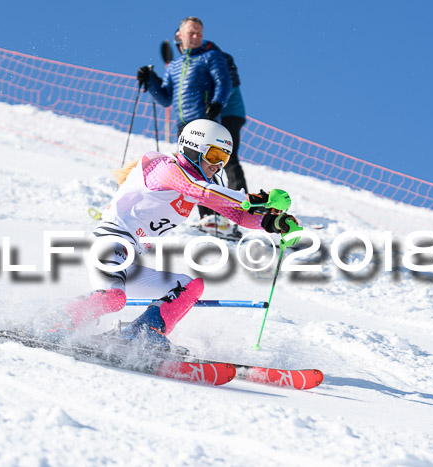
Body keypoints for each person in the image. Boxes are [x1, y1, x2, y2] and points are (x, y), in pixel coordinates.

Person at [60, 119, 302, 352]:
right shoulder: (165, 167)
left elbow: (237, 215)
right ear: (193, 149)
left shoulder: (202, 182)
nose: (217, 165)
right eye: (214, 156)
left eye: (224, 159)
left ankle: (142, 333)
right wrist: (256, 199)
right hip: (109, 244)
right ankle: (57, 319)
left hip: (130, 259)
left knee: (189, 287)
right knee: (113, 298)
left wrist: (272, 222)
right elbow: (199, 191)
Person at [172, 27, 250, 226]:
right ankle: (217, 206)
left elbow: (228, 84)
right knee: (206, 159)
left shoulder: (217, 57)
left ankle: (239, 204)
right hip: (218, 114)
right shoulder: (196, 61)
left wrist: (217, 103)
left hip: (229, 113)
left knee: (227, 157)